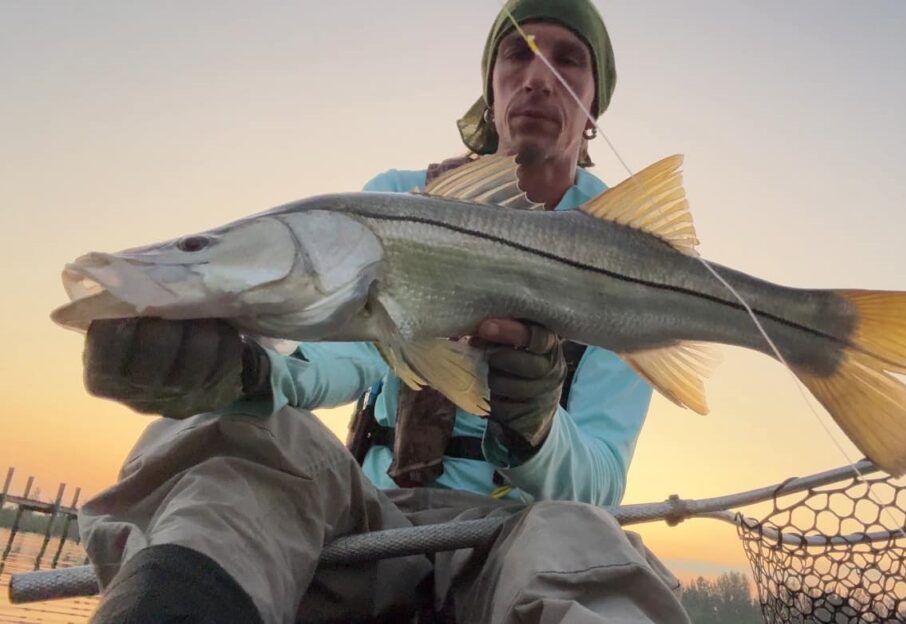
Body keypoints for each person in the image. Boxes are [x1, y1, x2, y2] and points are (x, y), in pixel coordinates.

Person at [78, 1, 693, 622]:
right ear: (490, 86)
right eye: (517, 53)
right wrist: (254, 370)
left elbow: (599, 484)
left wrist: (534, 426)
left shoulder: (632, 256)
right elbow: (343, 351)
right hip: (371, 523)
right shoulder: (398, 197)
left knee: (581, 540)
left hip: (518, 538)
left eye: (568, 59)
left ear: (594, 104)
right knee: (233, 437)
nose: (537, 75)